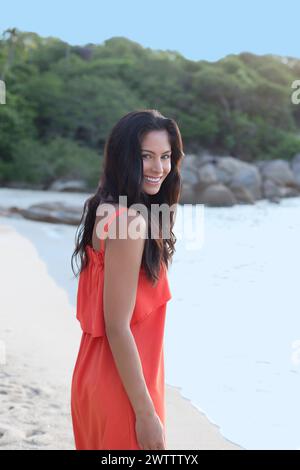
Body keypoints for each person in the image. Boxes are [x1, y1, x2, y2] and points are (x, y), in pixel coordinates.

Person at [70, 109, 184, 450]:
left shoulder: (105, 208)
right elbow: (117, 325)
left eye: (166, 157)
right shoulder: (129, 223)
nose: (158, 168)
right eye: (145, 156)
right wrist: (146, 414)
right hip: (124, 390)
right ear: (124, 158)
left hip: (98, 377)